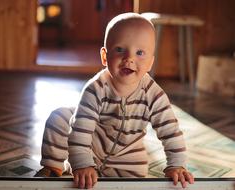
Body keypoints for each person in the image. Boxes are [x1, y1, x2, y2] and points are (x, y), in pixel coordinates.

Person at [35, 12, 194, 189]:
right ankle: (53, 167)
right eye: (119, 50)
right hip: (91, 146)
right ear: (104, 56)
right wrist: (82, 163)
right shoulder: (96, 88)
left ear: (150, 63)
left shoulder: (154, 94)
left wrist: (177, 165)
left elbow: (171, 131)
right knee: (60, 116)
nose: (129, 58)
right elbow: (81, 129)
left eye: (140, 52)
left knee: (137, 177)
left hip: (128, 156)